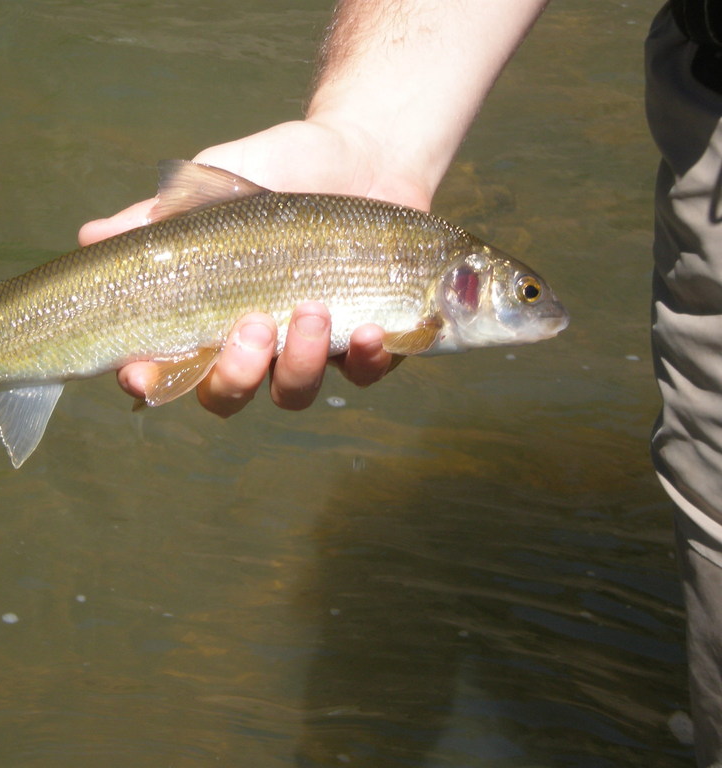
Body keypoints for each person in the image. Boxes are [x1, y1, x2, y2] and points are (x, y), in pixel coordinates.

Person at [79, 0, 722, 763]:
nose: (540, 307)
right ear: (463, 290)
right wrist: (365, 136)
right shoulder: (431, 297)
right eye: (523, 295)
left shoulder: (437, 287)